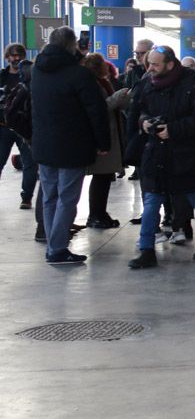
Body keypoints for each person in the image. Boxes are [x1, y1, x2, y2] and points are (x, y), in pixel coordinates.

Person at [126, 45, 195, 268]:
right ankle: (146, 249)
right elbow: (140, 110)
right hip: (157, 153)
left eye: (154, 64)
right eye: (148, 63)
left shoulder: (194, 84)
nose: (149, 68)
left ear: (170, 64)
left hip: (186, 155)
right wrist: (145, 122)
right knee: (151, 201)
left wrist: (174, 129)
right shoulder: (147, 84)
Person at [31, 27, 109, 264]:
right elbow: (96, 111)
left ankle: (52, 243)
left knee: (50, 197)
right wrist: (103, 142)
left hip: (44, 144)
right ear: (72, 45)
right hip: (72, 145)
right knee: (67, 198)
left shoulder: (36, 70)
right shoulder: (79, 74)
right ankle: (57, 249)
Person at [82, 53, 130, 228]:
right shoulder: (94, 84)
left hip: (109, 132)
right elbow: (99, 108)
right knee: (101, 176)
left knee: (105, 176)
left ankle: (100, 213)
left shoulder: (100, 82)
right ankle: (96, 214)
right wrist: (118, 97)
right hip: (103, 135)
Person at [0, 42, 36, 208]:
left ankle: (26, 198)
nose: (16, 58)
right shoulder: (2, 76)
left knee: (30, 163)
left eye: (19, 55)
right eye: (12, 55)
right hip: (3, 126)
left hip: (24, 126)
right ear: (7, 57)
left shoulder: (30, 77)